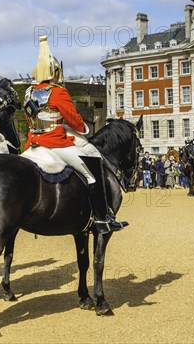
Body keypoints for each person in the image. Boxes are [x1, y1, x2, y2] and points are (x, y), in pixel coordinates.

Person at [22, 35, 127, 233]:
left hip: (33, 143)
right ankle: (102, 218)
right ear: (55, 72)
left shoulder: (29, 93)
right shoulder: (58, 92)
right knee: (92, 172)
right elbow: (73, 119)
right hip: (54, 143)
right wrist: (84, 129)